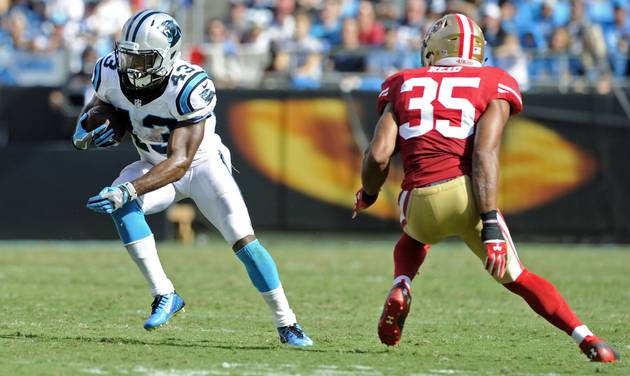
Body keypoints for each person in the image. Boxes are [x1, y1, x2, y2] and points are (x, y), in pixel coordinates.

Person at [352, 13, 618, 362]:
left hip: (417, 202)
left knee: (415, 237)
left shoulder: (403, 81)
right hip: (469, 198)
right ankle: (589, 341)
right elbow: (484, 154)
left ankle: (402, 282)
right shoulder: (494, 80)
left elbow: (378, 155)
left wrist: (368, 193)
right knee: (517, 277)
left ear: (433, 49)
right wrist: (490, 222)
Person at [71, 10, 312, 347]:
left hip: (200, 166)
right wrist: (87, 126)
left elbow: (180, 162)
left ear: (167, 56)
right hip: (151, 162)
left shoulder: (188, 85)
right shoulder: (109, 70)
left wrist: (128, 188)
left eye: (142, 60)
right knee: (121, 205)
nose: (131, 68)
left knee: (244, 241)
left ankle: (288, 323)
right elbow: (99, 106)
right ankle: (165, 294)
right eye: (128, 57)